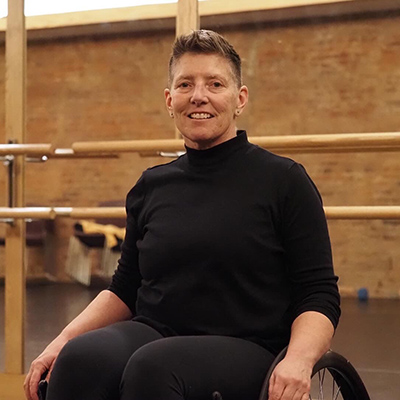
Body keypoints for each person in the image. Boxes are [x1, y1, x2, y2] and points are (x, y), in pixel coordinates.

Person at [24, 29, 340, 400]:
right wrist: (61, 340)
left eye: (215, 84)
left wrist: (300, 360)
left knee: (154, 368)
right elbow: (125, 289)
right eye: (186, 84)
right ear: (169, 100)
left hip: (248, 346)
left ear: (240, 99)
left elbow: (318, 294)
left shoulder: (284, 181)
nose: (199, 96)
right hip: (155, 331)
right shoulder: (152, 186)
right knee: (80, 358)